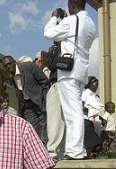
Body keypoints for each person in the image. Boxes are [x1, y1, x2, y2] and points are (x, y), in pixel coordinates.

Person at [44, 0, 96, 160]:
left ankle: (75, 151)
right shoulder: (90, 23)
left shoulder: (72, 20)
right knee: (75, 109)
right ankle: (75, 149)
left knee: (72, 111)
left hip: (69, 72)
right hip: (81, 71)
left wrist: (54, 17)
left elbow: (49, 33)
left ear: (71, 5)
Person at [2, 55, 48, 144]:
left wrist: (44, 98)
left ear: (14, 62)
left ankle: (44, 150)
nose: (8, 67)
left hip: (39, 101)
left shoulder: (29, 66)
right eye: (5, 66)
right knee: (31, 128)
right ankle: (36, 149)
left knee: (43, 127)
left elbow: (44, 82)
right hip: (27, 105)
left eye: (9, 64)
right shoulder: (11, 77)